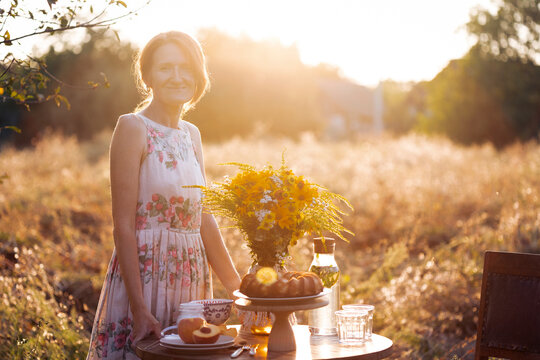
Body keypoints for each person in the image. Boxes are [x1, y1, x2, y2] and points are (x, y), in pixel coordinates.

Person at [86, 31, 241, 360]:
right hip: (145, 278)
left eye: (185, 68)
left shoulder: (192, 134)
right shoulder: (133, 128)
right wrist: (140, 309)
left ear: (198, 76)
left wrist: (240, 292)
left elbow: (204, 219)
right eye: (166, 68)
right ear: (148, 76)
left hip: (191, 280)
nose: (177, 77)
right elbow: (123, 227)